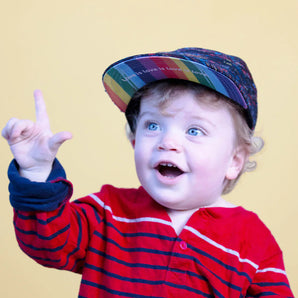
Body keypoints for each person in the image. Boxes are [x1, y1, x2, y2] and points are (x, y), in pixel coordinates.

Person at [2, 47, 294, 297]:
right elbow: (46, 243)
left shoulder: (253, 242)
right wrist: (37, 172)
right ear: (134, 140)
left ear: (234, 160)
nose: (167, 142)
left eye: (195, 130)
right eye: (153, 126)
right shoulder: (107, 212)